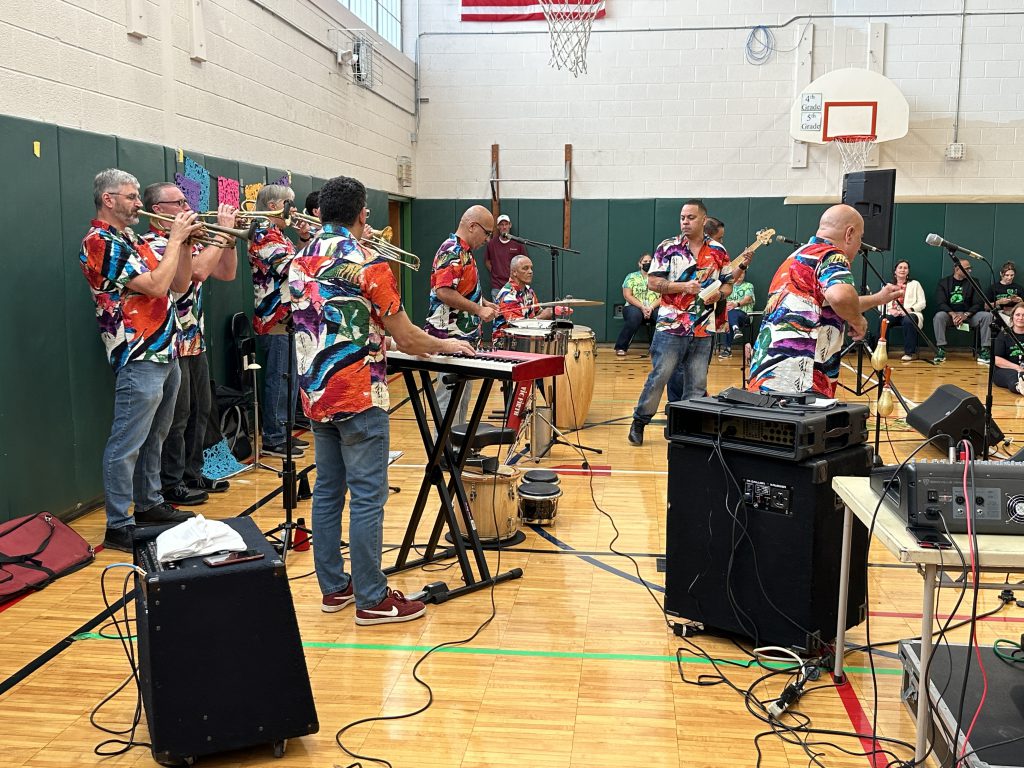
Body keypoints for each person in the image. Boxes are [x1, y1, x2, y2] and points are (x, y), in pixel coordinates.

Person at [289, 175, 475, 624]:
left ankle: (334, 588)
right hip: (358, 393)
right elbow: (409, 338)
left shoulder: (299, 259)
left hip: (316, 392)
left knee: (329, 492)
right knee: (368, 496)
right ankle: (373, 598)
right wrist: (452, 346)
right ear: (361, 213)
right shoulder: (369, 263)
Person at [79, 169, 198, 552]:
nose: (138, 204)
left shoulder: (130, 237)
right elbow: (154, 285)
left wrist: (185, 246)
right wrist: (176, 238)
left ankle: (149, 504)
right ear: (108, 199)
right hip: (137, 351)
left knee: (157, 435)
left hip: (166, 347)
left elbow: (179, 285)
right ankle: (118, 523)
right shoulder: (99, 241)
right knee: (126, 442)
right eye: (130, 197)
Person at [746, 205, 903, 397]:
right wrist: (857, 321)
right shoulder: (831, 254)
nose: (859, 245)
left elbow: (830, 302)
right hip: (801, 376)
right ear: (849, 234)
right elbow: (841, 297)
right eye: (860, 238)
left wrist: (879, 298)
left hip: (770, 370)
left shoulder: (800, 255)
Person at [628, 200, 736, 446]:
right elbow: (653, 283)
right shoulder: (668, 247)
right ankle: (640, 421)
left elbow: (729, 283)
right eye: (682, 218)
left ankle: (686, 429)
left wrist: (721, 293)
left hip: (703, 327)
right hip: (671, 326)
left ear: (703, 220)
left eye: (691, 217)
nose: (685, 222)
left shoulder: (718, 250)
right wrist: (683, 286)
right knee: (660, 376)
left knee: (697, 383)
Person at [247, 184, 312, 457]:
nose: (294, 210)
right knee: (279, 378)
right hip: (274, 317)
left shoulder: (278, 234)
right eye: (290, 203)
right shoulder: (263, 233)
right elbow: (291, 268)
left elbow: (295, 260)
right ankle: (274, 437)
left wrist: (305, 240)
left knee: (290, 379)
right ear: (274, 205)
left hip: (288, 316)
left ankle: (283, 431)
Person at [424, 205, 499, 426]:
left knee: (461, 399)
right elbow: (443, 291)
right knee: (449, 400)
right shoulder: (452, 251)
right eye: (487, 233)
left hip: (463, 339)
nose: (487, 240)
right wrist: (477, 310)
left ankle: (456, 448)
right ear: (472, 226)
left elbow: (461, 290)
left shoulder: (465, 252)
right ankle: (445, 454)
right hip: (450, 337)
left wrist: (483, 302)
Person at [932, 258, 993, 365]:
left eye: (970, 268)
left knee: (987, 316)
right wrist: (953, 314)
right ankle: (940, 349)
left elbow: (978, 303)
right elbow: (940, 302)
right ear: (957, 269)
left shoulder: (974, 282)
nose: (970, 271)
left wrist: (966, 314)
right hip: (950, 316)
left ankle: (984, 350)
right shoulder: (944, 282)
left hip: (969, 316)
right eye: (967, 269)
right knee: (939, 316)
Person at [492, 254, 554, 341]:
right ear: (514, 272)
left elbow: (537, 311)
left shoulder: (529, 290)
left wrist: (552, 311)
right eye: (525, 268)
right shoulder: (508, 295)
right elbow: (518, 326)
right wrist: (543, 316)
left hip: (526, 339)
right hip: (507, 343)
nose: (530, 271)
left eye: (531, 268)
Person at [877, 259, 925, 362]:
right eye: (900, 267)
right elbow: (880, 303)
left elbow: (922, 303)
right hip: (893, 314)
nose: (902, 270)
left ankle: (909, 353)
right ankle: (881, 352)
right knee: (883, 320)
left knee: (909, 320)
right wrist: (890, 310)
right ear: (895, 271)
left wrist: (910, 309)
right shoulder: (888, 286)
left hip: (910, 313)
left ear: (908, 271)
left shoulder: (915, 284)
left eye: (905, 268)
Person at [614, 253, 660, 356]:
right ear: (640, 264)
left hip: (654, 307)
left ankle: (658, 348)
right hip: (634, 307)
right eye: (645, 262)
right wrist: (642, 307)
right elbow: (627, 295)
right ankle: (621, 347)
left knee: (662, 317)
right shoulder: (631, 277)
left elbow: (664, 296)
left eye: (650, 262)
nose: (647, 263)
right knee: (634, 317)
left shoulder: (658, 277)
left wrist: (651, 307)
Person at [484, 213, 529, 300]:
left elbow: (524, 262)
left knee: (515, 312)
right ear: (498, 227)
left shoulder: (518, 243)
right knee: (499, 312)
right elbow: (487, 261)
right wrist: (496, 272)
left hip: (514, 285)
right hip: (497, 286)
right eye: (501, 224)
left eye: (506, 224)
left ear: (510, 225)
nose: (504, 227)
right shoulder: (492, 243)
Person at [993, 304, 1024, 395]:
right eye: (1017, 315)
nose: (1021, 318)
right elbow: (997, 360)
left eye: (1023, 315)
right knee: (1013, 376)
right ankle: (1020, 387)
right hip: (1007, 370)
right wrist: (1018, 368)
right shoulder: (1004, 335)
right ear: (1012, 317)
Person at [987, 261, 1024, 328]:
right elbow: (985, 306)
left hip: (1016, 312)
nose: (1009, 278)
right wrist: (999, 302)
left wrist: (1020, 301)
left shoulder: (1019, 288)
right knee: (1009, 322)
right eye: (1007, 275)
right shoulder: (994, 287)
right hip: (1000, 313)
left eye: (1012, 275)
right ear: (1001, 274)